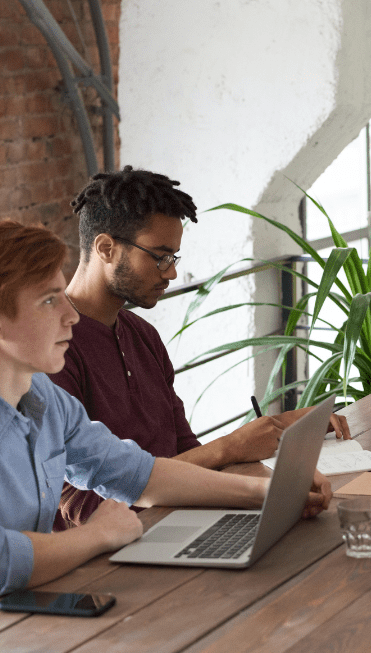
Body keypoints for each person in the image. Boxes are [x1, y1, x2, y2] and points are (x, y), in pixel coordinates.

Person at [0, 219, 332, 594]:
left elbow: (137, 475)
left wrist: (272, 492)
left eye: (62, 294)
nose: (71, 316)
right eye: (48, 300)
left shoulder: (45, 397)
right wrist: (97, 535)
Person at [49, 166, 348, 529]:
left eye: (173, 258)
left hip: (181, 521)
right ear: (106, 248)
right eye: (160, 257)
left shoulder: (143, 335)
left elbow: (186, 452)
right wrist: (232, 448)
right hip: (111, 557)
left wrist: (279, 435)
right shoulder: (54, 351)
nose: (170, 273)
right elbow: (84, 509)